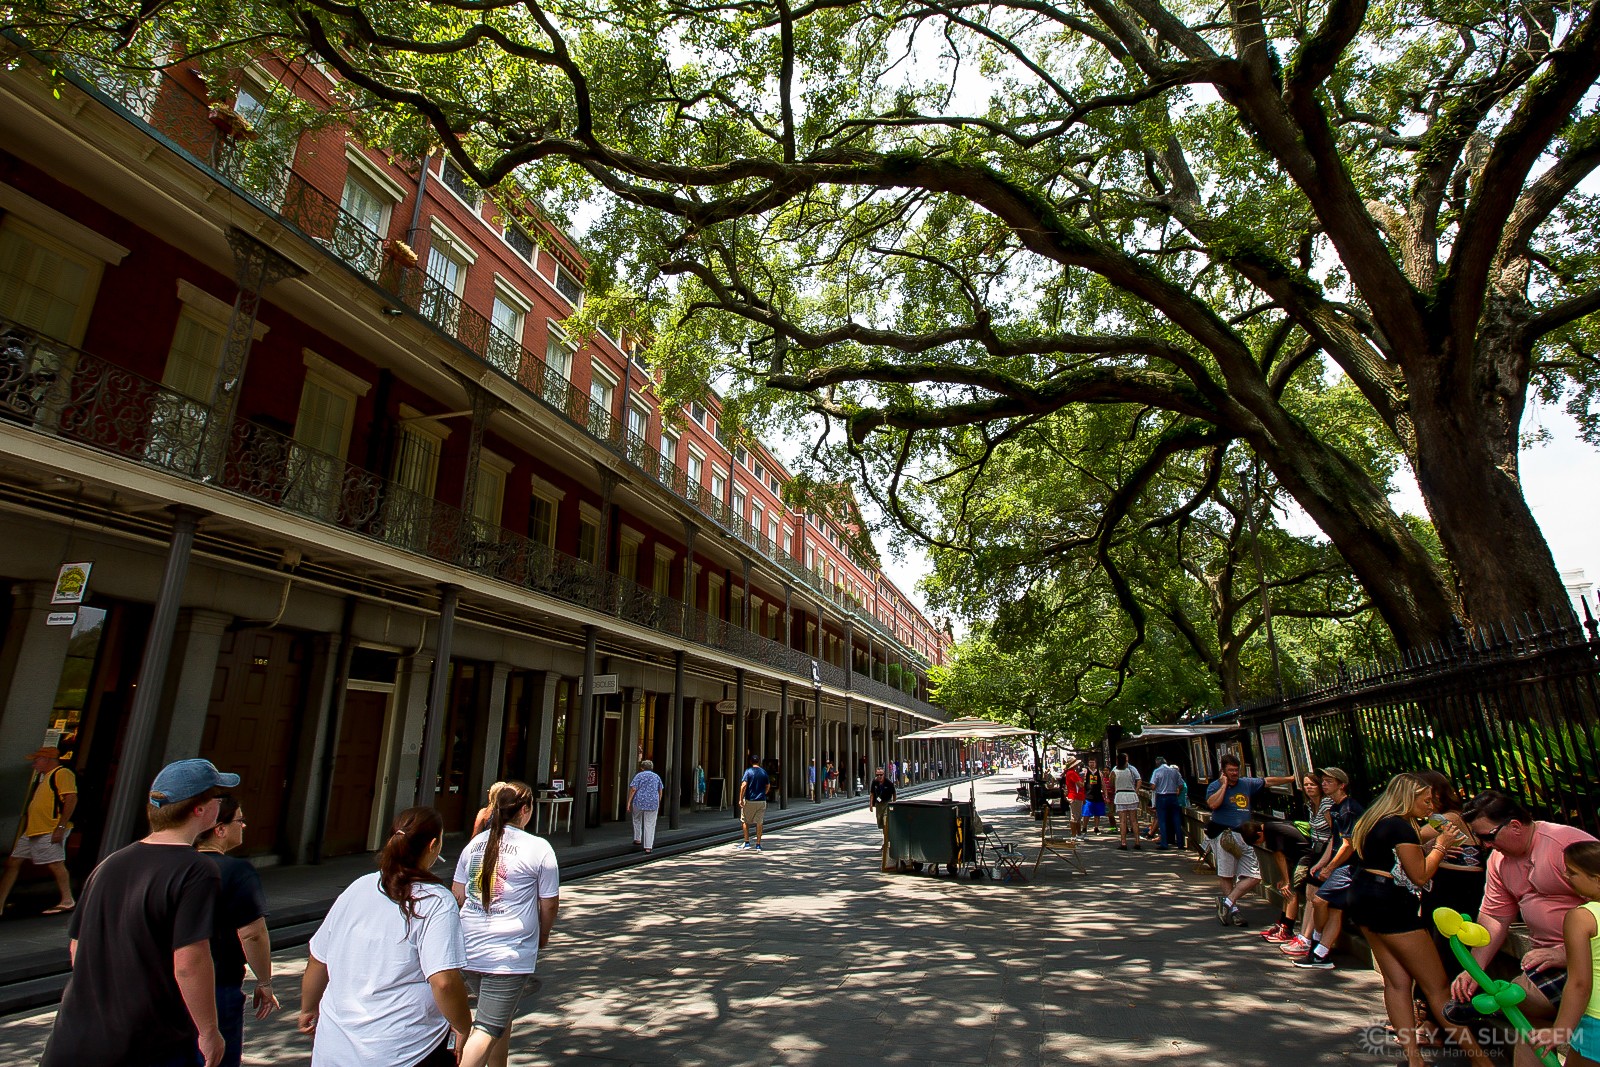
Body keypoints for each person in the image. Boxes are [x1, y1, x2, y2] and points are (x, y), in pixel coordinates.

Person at [42, 757, 240, 1067]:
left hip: (74, 1037)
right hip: (147, 1042)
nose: (221, 804)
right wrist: (209, 1031)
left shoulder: (110, 863)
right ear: (200, 810)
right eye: (218, 797)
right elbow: (190, 961)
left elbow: (77, 945)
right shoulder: (196, 870)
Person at [299, 807, 471, 1067]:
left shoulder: (359, 887)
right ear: (433, 845)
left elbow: (318, 959)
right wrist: (463, 1024)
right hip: (406, 1047)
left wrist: (308, 1008)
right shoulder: (436, 900)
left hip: (335, 1044)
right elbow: (444, 981)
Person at [1343, 773, 1491, 1067]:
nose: (1430, 806)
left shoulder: (1374, 821)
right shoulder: (1401, 826)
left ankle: (1414, 1059)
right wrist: (1441, 845)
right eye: (1425, 800)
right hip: (1391, 905)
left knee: (1396, 982)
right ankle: (1480, 1060)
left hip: (1362, 896)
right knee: (1437, 986)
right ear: (1409, 798)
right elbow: (1420, 875)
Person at [1449, 790, 1597, 1067]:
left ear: (1515, 826)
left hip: (1588, 957)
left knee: (1518, 994)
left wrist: (1565, 954)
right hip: (1546, 960)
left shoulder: (1565, 845)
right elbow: (1494, 916)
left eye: (1489, 836)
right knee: (1525, 1017)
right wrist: (1474, 970)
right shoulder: (1498, 861)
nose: (1486, 845)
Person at [452, 781, 559, 1067]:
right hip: (507, 951)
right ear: (525, 810)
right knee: (487, 1028)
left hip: (468, 944)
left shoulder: (475, 844)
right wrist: (544, 934)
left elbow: (458, 893)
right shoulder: (538, 847)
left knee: (500, 1018)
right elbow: (549, 903)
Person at [196, 796, 279, 1067]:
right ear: (220, 829)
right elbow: (252, 933)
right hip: (217, 985)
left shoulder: (171, 865)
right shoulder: (236, 871)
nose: (244, 826)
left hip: (164, 985)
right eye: (239, 820)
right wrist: (264, 981)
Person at [1205, 754, 1295, 927]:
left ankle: (1226, 902)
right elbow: (1213, 804)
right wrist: (1224, 785)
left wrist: (1290, 779)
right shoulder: (1215, 786)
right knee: (1227, 874)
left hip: (1245, 835)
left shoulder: (1246, 783)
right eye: (1230, 770)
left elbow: (1267, 781)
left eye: (1236, 770)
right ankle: (1234, 911)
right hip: (1225, 835)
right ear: (1223, 771)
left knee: (1254, 876)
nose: (1234, 773)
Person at [1533, 841, 1600, 1066]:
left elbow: (1580, 983)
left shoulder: (1582, 917)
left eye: (1572, 872)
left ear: (1598, 880)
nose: (1566, 876)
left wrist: (1560, 1030)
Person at [1289, 766, 1363, 968]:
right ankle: (1321, 953)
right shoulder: (1336, 808)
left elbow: (1348, 845)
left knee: (1319, 900)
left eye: (1329, 781)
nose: (1324, 784)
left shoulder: (1348, 809)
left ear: (1342, 785)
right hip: (1339, 863)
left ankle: (1316, 938)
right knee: (1334, 909)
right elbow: (1334, 839)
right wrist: (1321, 864)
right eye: (1323, 780)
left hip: (1348, 866)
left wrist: (1329, 868)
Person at [0, 745, 78, 915]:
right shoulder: (47, 777)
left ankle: (67, 900)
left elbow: (71, 798)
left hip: (49, 828)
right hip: (34, 829)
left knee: (55, 863)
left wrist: (60, 827)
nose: (34, 764)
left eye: (37, 760)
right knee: (13, 862)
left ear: (46, 759)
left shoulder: (61, 773)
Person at [1274, 772, 1332, 949]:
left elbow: (1334, 833)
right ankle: (1305, 937)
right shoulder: (1309, 805)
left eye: (1312, 784)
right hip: (1315, 851)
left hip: (1326, 853)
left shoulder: (1327, 805)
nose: (1309, 788)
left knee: (1315, 896)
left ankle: (1309, 938)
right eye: (1306, 785)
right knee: (1309, 894)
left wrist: (1326, 861)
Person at [627, 760, 664, 853]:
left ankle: (637, 838)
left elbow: (633, 789)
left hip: (639, 801)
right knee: (650, 824)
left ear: (642, 768)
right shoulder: (656, 777)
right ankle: (648, 847)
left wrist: (629, 802)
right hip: (653, 803)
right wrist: (658, 801)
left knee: (636, 819)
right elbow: (660, 790)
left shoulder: (639, 776)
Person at [1149, 757, 1184, 850]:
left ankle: (1164, 843)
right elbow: (1181, 784)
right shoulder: (1174, 771)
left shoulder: (1157, 771)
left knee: (1162, 821)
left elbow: (1153, 786)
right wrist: (1177, 790)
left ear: (1157, 763)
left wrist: (1158, 787)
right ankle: (1180, 843)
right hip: (1173, 796)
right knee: (1177, 820)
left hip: (1162, 797)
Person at [738, 755, 770, 851]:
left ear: (750, 762)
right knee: (759, 822)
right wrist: (764, 793)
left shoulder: (748, 771)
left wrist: (740, 798)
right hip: (761, 800)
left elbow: (744, 785)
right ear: (759, 761)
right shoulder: (763, 772)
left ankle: (747, 842)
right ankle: (758, 844)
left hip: (750, 800)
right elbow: (768, 785)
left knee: (745, 820)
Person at [1111, 752, 1143, 850]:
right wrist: (1136, 791)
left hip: (1120, 795)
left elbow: (1111, 783)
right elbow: (1139, 780)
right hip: (1131, 794)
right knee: (1134, 820)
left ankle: (1123, 842)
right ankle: (1137, 842)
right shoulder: (1131, 770)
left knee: (1122, 821)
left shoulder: (1114, 771)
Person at [868, 767, 897, 871]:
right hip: (878, 805)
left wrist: (894, 803)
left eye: (881, 775)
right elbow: (872, 793)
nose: (879, 777)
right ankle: (886, 838)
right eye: (877, 775)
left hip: (886, 803)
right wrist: (871, 805)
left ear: (884, 774)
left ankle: (886, 842)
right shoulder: (874, 782)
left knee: (885, 823)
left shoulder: (888, 783)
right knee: (880, 822)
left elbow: (894, 793)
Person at [1079, 758, 1107, 835]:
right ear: (1088, 763)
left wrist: (1106, 795)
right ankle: (1084, 827)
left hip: (1098, 796)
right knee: (1086, 813)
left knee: (1097, 814)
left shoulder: (1099, 773)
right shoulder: (1085, 771)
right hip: (1088, 796)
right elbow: (1081, 782)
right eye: (1090, 762)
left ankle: (1096, 827)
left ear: (1096, 763)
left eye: (1093, 762)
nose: (1092, 764)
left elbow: (1103, 784)